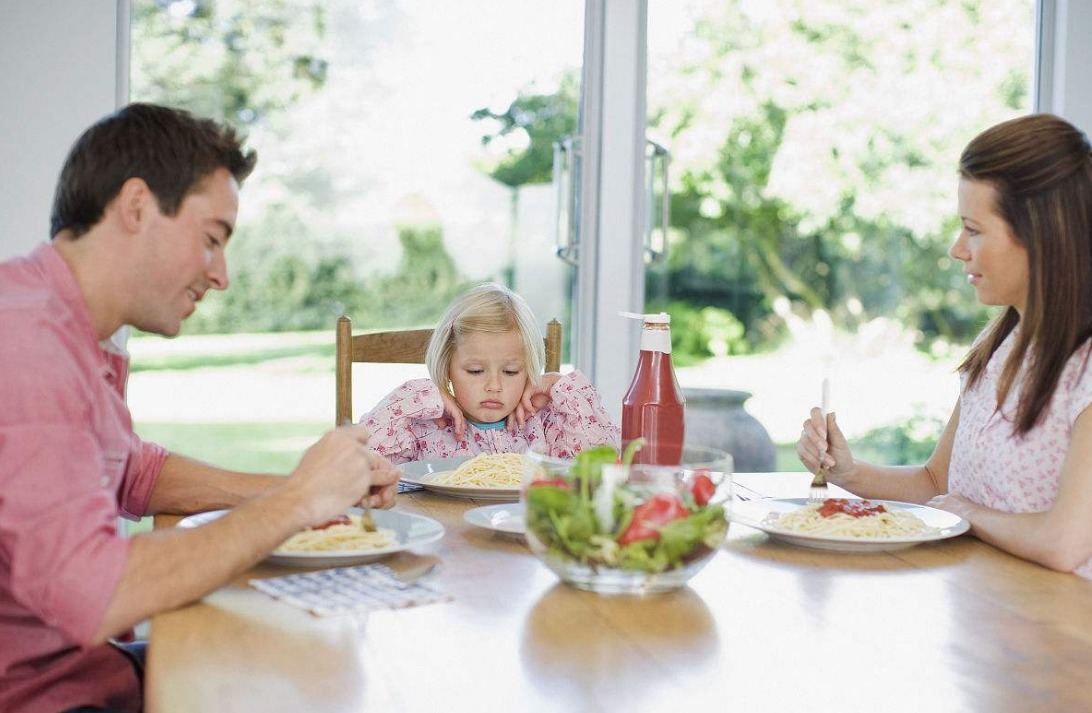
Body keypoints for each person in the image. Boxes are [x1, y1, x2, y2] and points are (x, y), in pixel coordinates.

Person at [0, 103, 399, 713]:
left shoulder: (60, 326)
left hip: (89, 667)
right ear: (136, 206)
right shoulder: (27, 345)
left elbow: (135, 472)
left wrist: (309, 490)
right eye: (212, 239)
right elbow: (99, 592)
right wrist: (297, 502)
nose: (221, 276)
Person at [797, 113, 1092, 579]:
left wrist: (967, 514)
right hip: (987, 601)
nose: (958, 249)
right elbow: (938, 483)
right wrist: (847, 473)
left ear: (1039, 235)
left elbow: (1063, 544)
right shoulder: (998, 344)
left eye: (973, 229)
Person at [361, 283, 620, 463]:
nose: (494, 386)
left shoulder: (545, 423)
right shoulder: (425, 427)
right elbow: (360, 462)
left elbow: (602, 462)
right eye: (475, 371)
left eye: (510, 371)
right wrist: (419, 397)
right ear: (447, 366)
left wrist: (562, 387)